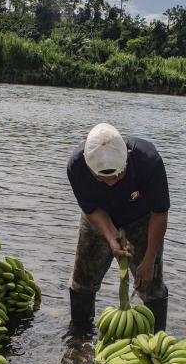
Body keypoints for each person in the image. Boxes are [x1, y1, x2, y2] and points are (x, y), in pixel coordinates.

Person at [66, 123, 170, 334]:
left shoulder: (148, 162)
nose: (112, 183)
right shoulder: (76, 166)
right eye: (103, 179)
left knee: (151, 284)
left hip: (141, 218)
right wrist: (112, 237)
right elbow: (90, 207)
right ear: (88, 166)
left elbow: (160, 213)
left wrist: (149, 260)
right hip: (98, 218)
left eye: (117, 176)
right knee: (83, 279)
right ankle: (79, 334)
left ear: (128, 156)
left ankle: (158, 337)